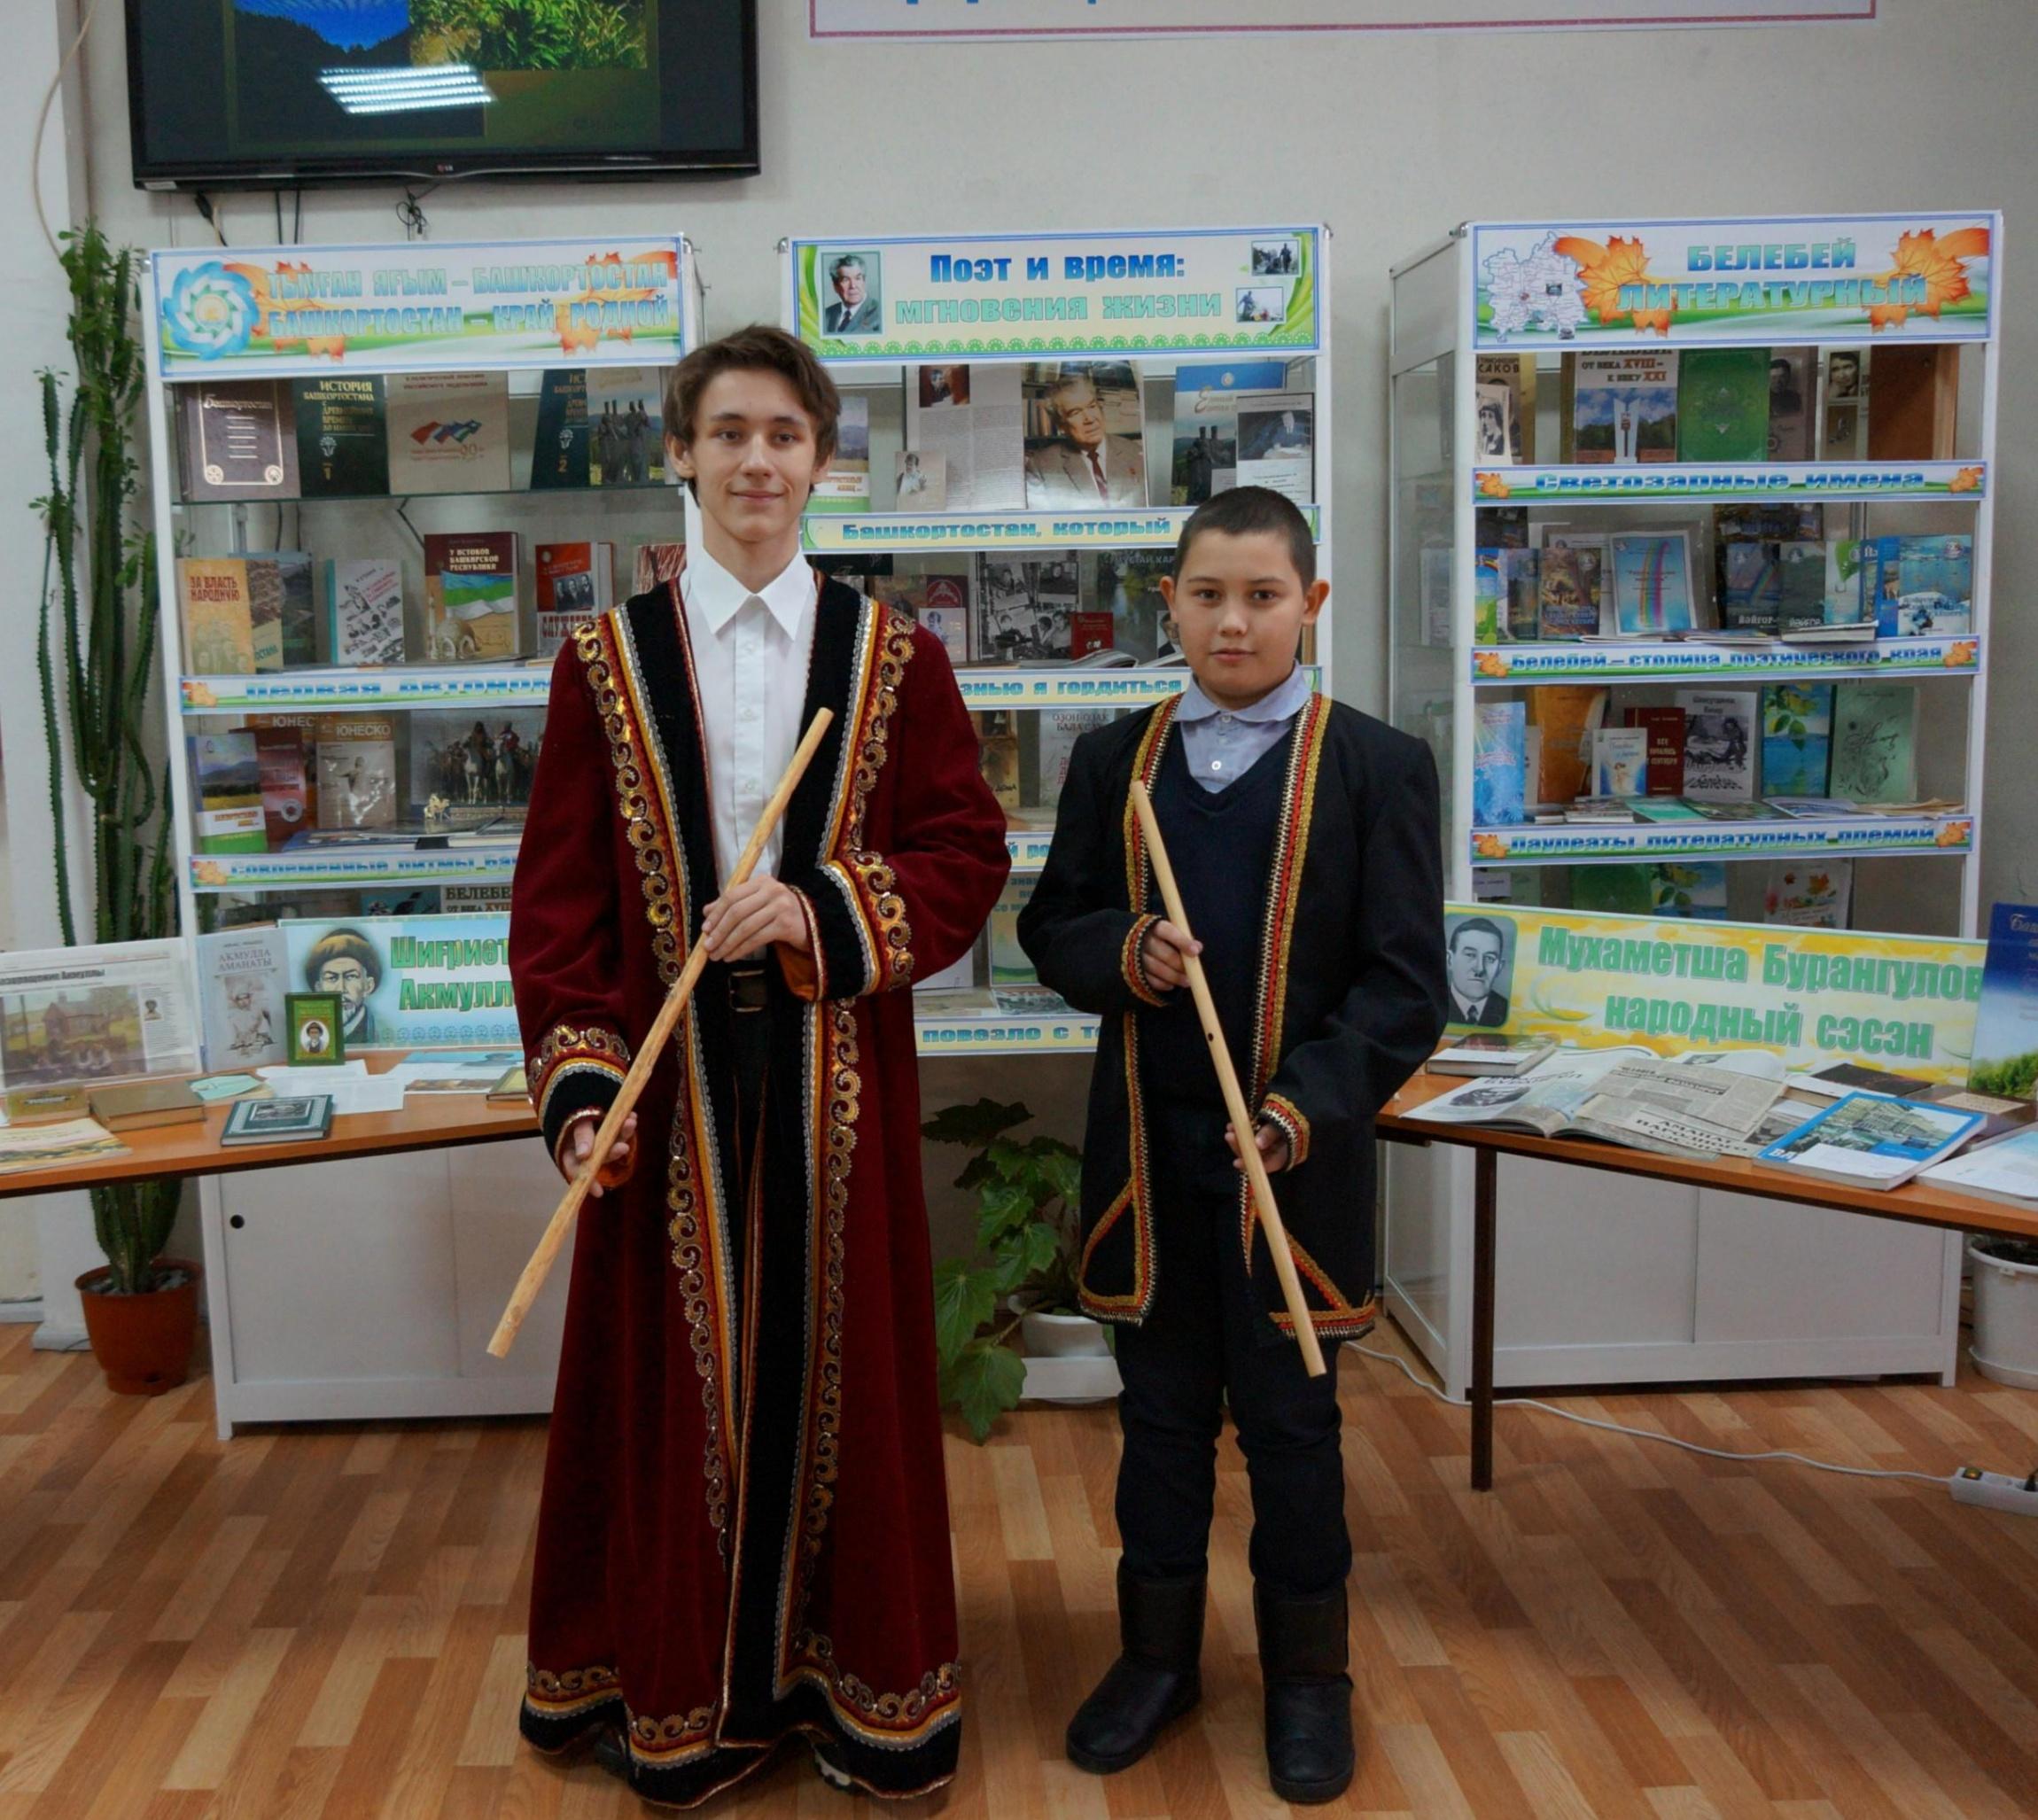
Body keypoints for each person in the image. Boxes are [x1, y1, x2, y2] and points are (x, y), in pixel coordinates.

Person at [508, 323, 1009, 1808]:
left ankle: (852, 1686)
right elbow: (559, 903)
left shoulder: (895, 655)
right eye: (727, 432)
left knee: (843, 1376)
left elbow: (964, 851)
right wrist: (584, 1090)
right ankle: (684, 1689)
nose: (755, 461)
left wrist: (817, 908)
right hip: (665, 1094)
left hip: (833, 1076)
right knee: (674, 1394)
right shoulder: (603, 663)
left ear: (822, 459)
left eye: (784, 435)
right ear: (680, 452)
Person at [1018, 487, 1447, 1806]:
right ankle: (1157, 1657)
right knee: (1157, 1423)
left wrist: (1298, 1105)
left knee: (1292, 1427)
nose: (1233, 621)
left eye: (1262, 596)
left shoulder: (1375, 765)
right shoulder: (1116, 762)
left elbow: (1404, 987)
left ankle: (1310, 1677)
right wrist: (1123, 949)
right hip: (1149, 1164)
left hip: (1291, 1169)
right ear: (1171, 603)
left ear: (1310, 604)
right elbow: (1053, 927)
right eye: (1206, 595)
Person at [1024, 370, 1147, 507]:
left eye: (1092, 406)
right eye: (1075, 412)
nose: (1089, 419)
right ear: (1061, 425)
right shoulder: (1040, 467)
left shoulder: (1135, 454)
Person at [304, 928, 385, 1047]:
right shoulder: (308, 1029)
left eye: (351, 976)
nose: (341, 989)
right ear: (318, 988)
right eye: (331, 978)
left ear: (368, 986)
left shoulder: (384, 1030)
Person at [1445, 918, 1509, 1027]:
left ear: (1499, 967)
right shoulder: (1431, 1004)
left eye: (1489, 958)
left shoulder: (1511, 1010)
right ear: (1450, 960)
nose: (1480, 969)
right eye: (1470, 955)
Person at [822, 253, 881, 336]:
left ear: (864, 282)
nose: (853, 286)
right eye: (845, 280)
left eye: (858, 278)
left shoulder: (880, 313)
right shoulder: (825, 315)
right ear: (835, 286)